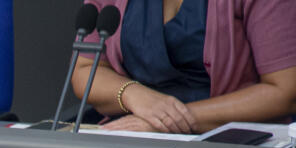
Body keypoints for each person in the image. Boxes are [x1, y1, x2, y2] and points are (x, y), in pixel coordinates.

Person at [72, 0, 296, 133]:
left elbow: (285, 91)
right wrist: (134, 95)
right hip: (132, 135)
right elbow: (85, 70)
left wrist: (168, 120)